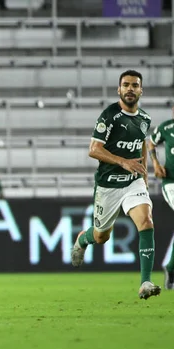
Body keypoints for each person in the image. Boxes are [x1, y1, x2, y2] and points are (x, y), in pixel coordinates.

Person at [71, 70, 160, 300]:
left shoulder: (145, 119)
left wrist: (144, 176)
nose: (130, 88)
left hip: (132, 182)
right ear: (118, 89)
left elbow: (141, 145)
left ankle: (145, 282)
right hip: (108, 185)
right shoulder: (109, 115)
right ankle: (82, 239)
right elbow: (93, 150)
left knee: (146, 221)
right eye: (126, 85)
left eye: (135, 85)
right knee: (101, 237)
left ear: (141, 90)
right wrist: (123, 161)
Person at [148, 106, 174, 289]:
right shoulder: (166, 128)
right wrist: (156, 163)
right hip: (171, 182)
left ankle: (171, 268)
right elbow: (150, 142)